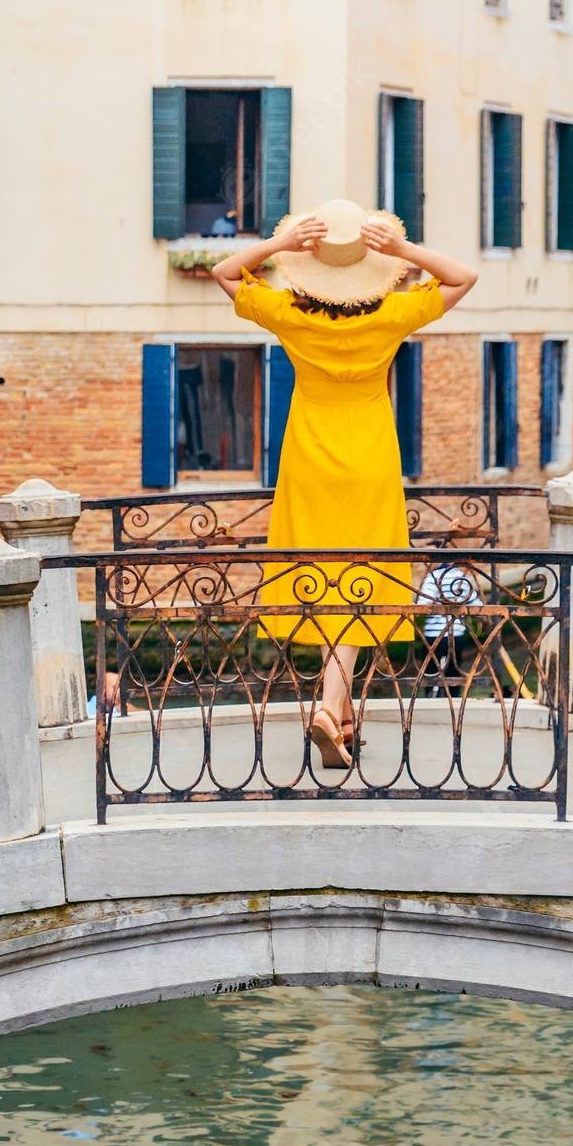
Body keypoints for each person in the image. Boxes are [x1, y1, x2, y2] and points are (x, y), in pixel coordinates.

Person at [212, 200, 477, 767]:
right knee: (362, 576)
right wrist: (402, 251)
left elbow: (225, 272)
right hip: (370, 459)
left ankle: (339, 711)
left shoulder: (288, 314)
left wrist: (279, 247)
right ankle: (335, 712)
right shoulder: (392, 316)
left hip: (308, 456)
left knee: (327, 576)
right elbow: (464, 276)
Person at [418, 527, 483, 697]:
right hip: (456, 633)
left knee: (431, 670)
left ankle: (431, 698)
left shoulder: (433, 577)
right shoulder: (460, 577)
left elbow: (423, 604)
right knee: (454, 669)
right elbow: (476, 604)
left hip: (433, 634)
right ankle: (453, 699)